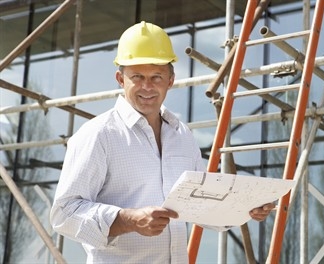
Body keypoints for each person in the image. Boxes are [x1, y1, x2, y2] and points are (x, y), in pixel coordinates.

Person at [50, 21, 275, 263]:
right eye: (137, 76)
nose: (147, 86)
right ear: (120, 78)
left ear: (170, 80)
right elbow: (64, 214)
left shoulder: (182, 135)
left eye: (156, 76)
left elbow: (203, 203)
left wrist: (245, 208)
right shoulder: (98, 134)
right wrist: (128, 220)